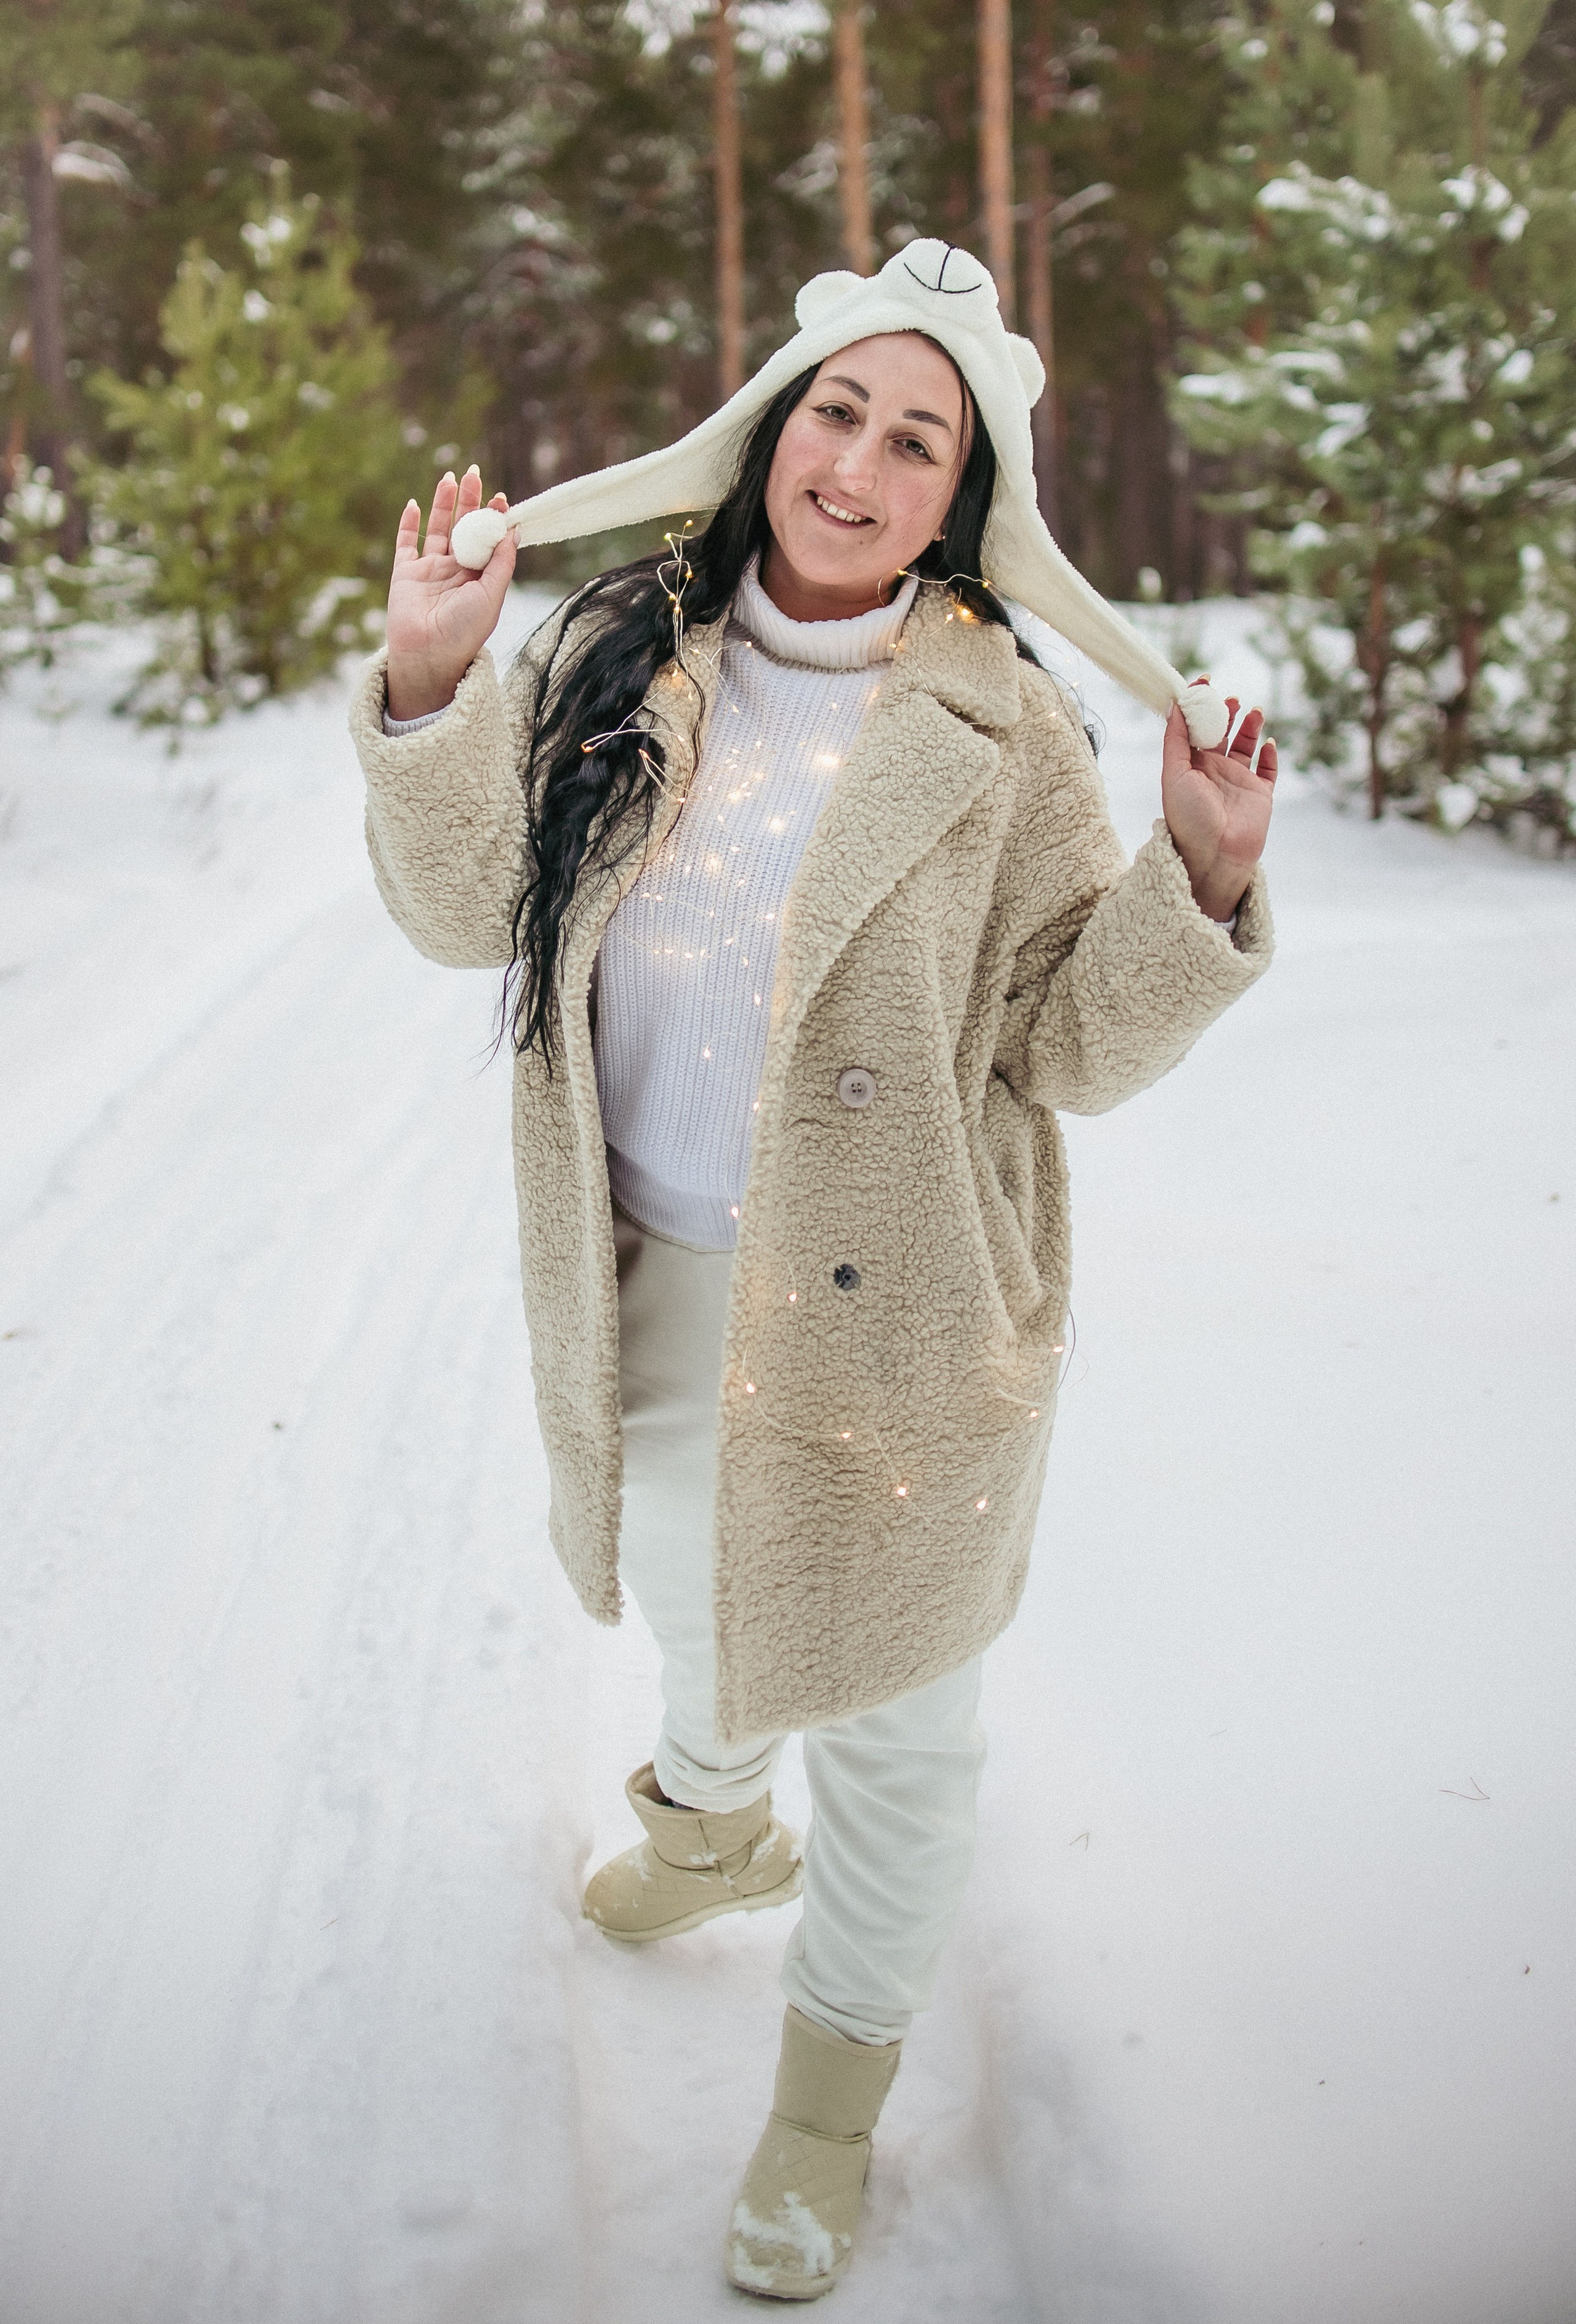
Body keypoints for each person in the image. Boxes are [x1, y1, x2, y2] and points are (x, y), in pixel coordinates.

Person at [350, 240, 1276, 2302]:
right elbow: (458, 911)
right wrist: (433, 678)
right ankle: (708, 1824)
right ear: (775, 431)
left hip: (918, 1330)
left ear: (965, 502)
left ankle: (823, 2107)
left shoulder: (1008, 736)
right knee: (689, 1588)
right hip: (654, 1274)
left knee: (898, 1729)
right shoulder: (624, 656)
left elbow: (1063, 1044)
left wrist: (1196, 872)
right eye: (837, 412)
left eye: (917, 438)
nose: (859, 464)